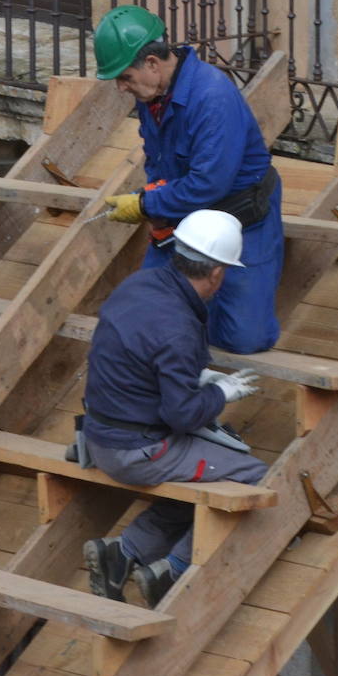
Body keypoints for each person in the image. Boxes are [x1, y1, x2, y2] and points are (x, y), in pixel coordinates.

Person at [81, 210, 267, 608]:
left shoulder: (139, 285)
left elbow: (137, 358)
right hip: (135, 451)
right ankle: (175, 570)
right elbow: (181, 416)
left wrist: (192, 379)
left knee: (206, 476)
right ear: (217, 273)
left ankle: (125, 552)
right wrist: (221, 394)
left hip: (101, 435)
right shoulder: (178, 326)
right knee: (252, 476)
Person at [93, 4, 284, 355]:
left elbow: (208, 185)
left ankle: (194, 352)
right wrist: (158, 211)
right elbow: (160, 161)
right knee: (148, 318)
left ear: (152, 64)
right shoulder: (153, 95)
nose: (121, 88)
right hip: (187, 216)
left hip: (242, 219)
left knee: (246, 338)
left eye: (125, 77)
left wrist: (146, 204)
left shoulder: (212, 97)